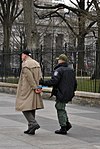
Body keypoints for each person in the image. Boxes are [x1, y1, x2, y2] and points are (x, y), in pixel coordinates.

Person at [39, 54, 77, 135]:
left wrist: (43, 82)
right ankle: (66, 124)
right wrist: (72, 91)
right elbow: (75, 83)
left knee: (60, 107)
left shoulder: (59, 70)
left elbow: (54, 81)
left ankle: (63, 127)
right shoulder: (70, 70)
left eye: (58, 60)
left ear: (60, 60)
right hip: (68, 92)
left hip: (61, 92)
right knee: (61, 107)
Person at [16, 50, 44, 135]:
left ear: (25, 55)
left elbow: (29, 77)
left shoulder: (25, 64)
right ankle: (31, 128)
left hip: (27, 89)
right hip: (35, 88)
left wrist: (34, 87)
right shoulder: (36, 63)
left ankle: (33, 123)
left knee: (23, 106)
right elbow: (40, 76)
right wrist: (39, 87)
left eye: (22, 55)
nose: (21, 57)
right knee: (31, 107)